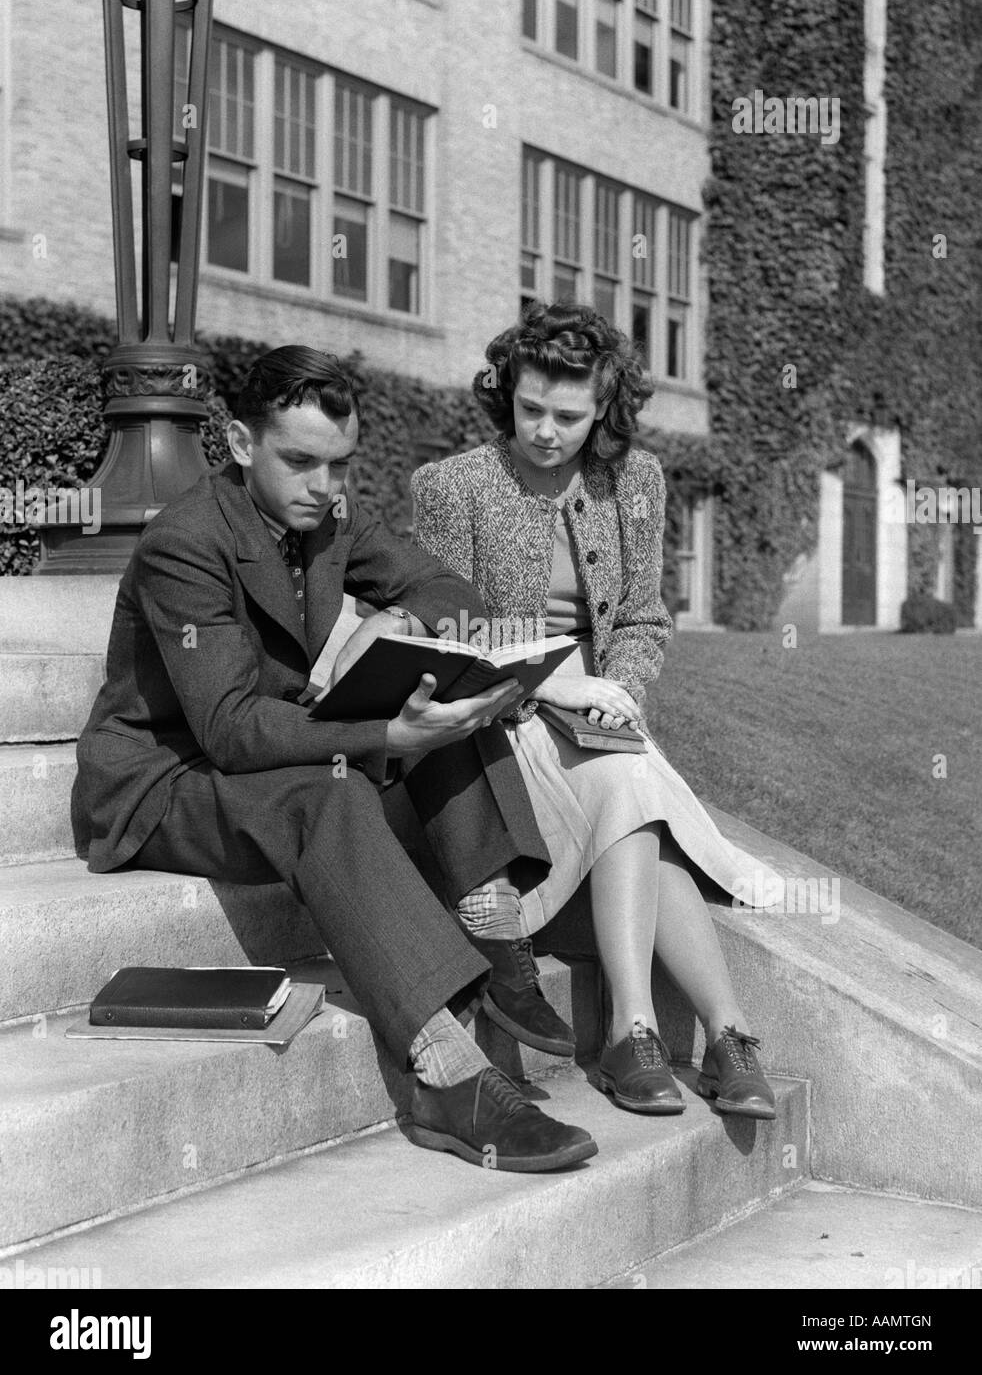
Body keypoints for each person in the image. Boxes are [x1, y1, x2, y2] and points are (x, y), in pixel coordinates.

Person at [71, 344, 599, 1173]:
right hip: (165, 781)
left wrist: (416, 633)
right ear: (241, 445)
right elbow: (230, 731)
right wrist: (385, 737)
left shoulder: (330, 517)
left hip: (270, 741)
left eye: (340, 465)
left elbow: (444, 589)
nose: (325, 485)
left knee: (452, 697)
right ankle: (446, 1074)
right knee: (337, 790)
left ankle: (494, 930)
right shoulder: (185, 544)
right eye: (302, 462)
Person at [412, 304, 787, 1120]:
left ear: (604, 410)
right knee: (632, 796)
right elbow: (448, 629)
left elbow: (645, 619)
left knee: (624, 778)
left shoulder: (637, 481)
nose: (546, 431)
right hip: (502, 710)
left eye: (569, 417)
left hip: (599, 703)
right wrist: (553, 685)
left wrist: (618, 693)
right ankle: (659, 1028)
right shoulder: (452, 486)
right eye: (530, 409)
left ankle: (704, 1037)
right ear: (506, 394)